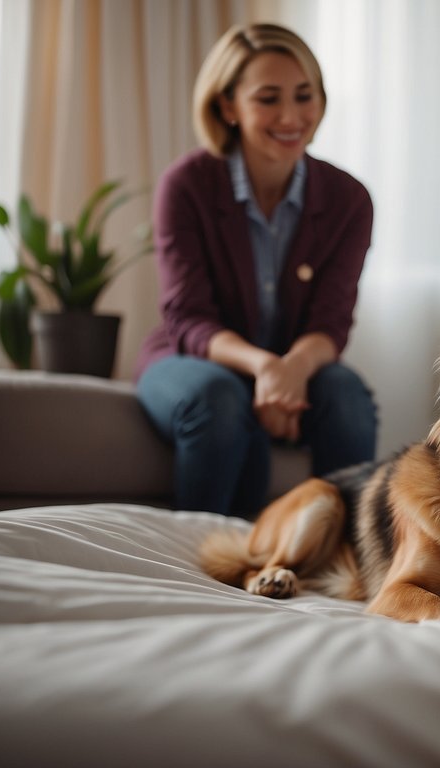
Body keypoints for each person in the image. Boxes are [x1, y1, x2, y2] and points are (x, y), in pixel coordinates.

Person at [136, 23, 377, 517]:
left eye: (304, 95)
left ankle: (350, 557)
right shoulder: (186, 185)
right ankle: (204, 563)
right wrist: (266, 368)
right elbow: (188, 318)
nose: (291, 116)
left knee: (346, 395)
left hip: (294, 365)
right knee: (218, 397)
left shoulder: (349, 199)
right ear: (228, 106)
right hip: (191, 362)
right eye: (268, 98)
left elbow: (330, 322)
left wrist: (289, 370)